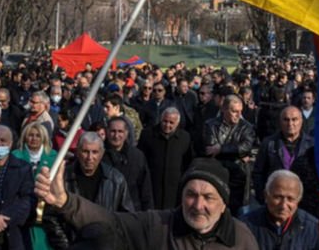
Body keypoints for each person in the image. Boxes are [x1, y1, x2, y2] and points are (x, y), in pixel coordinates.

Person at [35, 157, 260, 249]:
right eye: (191, 194)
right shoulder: (158, 226)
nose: (197, 204)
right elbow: (112, 222)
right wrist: (65, 202)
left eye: (208, 197)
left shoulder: (242, 240)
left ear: (223, 204)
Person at [204, 94, 257, 215]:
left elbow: (246, 147)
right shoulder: (211, 125)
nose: (238, 115)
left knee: (238, 211)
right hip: (217, 172)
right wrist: (236, 151)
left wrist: (221, 149)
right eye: (234, 111)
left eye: (240, 111)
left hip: (239, 175)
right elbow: (210, 148)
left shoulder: (246, 127)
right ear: (224, 109)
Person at [240, 170, 319, 249]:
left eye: (290, 199)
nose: (283, 205)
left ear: (298, 200)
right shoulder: (245, 226)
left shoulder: (313, 230)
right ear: (266, 195)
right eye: (278, 197)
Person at [12, 122, 58, 250]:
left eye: (38, 135)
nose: (34, 138)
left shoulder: (54, 157)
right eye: (30, 135)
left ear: (43, 138)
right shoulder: (15, 156)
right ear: (25, 137)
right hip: (22, 208)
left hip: (46, 209)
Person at [253, 106, 313, 204]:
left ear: (301, 121)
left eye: (294, 119)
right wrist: (263, 197)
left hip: (304, 200)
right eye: (286, 120)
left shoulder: (311, 145)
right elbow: (258, 173)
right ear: (280, 122)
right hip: (275, 199)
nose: (290, 124)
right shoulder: (269, 143)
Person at [137, 106, 193, 209]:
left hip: (174, 189)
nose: (167, 125)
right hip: (152, 186)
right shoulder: (148, 135)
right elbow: (140, 159)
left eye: (171, 123)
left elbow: (187, 162)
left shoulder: (185, 138)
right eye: (165, 121)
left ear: (177, 123)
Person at [103, 117, 154, 211]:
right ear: (107, 132)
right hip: (105, 211)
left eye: (120, 131)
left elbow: (145, 189)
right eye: (113, 131)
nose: (116, 135)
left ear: (126, 133)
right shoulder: (98, 155)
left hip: (131, 212)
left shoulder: (137, 156)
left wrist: (148, 214)